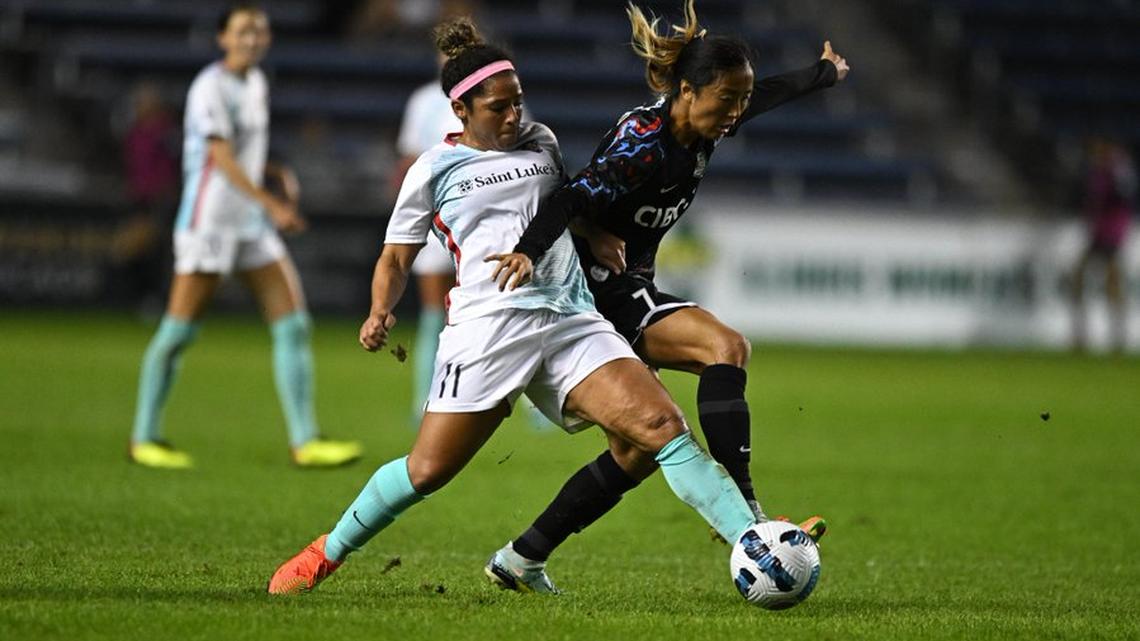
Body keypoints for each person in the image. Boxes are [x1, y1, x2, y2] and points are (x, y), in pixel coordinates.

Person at [267, 17, 757, 596]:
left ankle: (755, 540)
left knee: (658, 429)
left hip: (571, 316)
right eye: (498, 107)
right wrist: (380, 311)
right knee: (427, 470)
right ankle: (326, 552)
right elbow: (396, 258)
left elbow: (567, 201)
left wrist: (594, 233)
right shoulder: (433, 169)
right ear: (461, 111)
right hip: (489, 329)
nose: (512, 115)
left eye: (518, 102)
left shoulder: (541, 141)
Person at [485, 0, 849, 588]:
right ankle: (750, 517)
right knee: (725, 347)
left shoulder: (704, 121)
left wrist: (822, 73)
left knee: (634, 454)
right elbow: (570, 197)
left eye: (738, 101)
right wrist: (530, 250)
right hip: (599, 293)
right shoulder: (644, 143)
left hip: (627, 287)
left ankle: (521, 558)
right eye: (726, 100)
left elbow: (762, 95)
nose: (735, 113)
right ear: (686, 90)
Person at [127, 3, 362, 469]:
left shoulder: (255, 82)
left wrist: (274, 171)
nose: (252, 38)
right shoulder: (209, 86)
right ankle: (143, 437)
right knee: (179, 331)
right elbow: (219, 157)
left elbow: (242, 152)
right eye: (242, 31)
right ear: (223, 38)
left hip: (249, 223)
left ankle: (305, 441)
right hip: (210, 222)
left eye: (259, 30)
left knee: (293, 324)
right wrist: (272, 203)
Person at [392, 52, 460, 424]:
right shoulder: (424, 101)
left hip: (481, 223)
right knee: (435, 312)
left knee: (499, 310)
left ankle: (530, 405)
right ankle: (425, 400)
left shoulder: (497, 94)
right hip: (436, 220)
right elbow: (409, 159)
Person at [1071, 138, 1136, 353]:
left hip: (1113, 234)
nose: (1095, 155)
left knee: (1112, 283)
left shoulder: (1119, 171)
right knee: (1079, 279)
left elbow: (1125, 199)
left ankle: (1118, 336)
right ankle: (1081, 335)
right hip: (1097, 234)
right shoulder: (1096, 174)